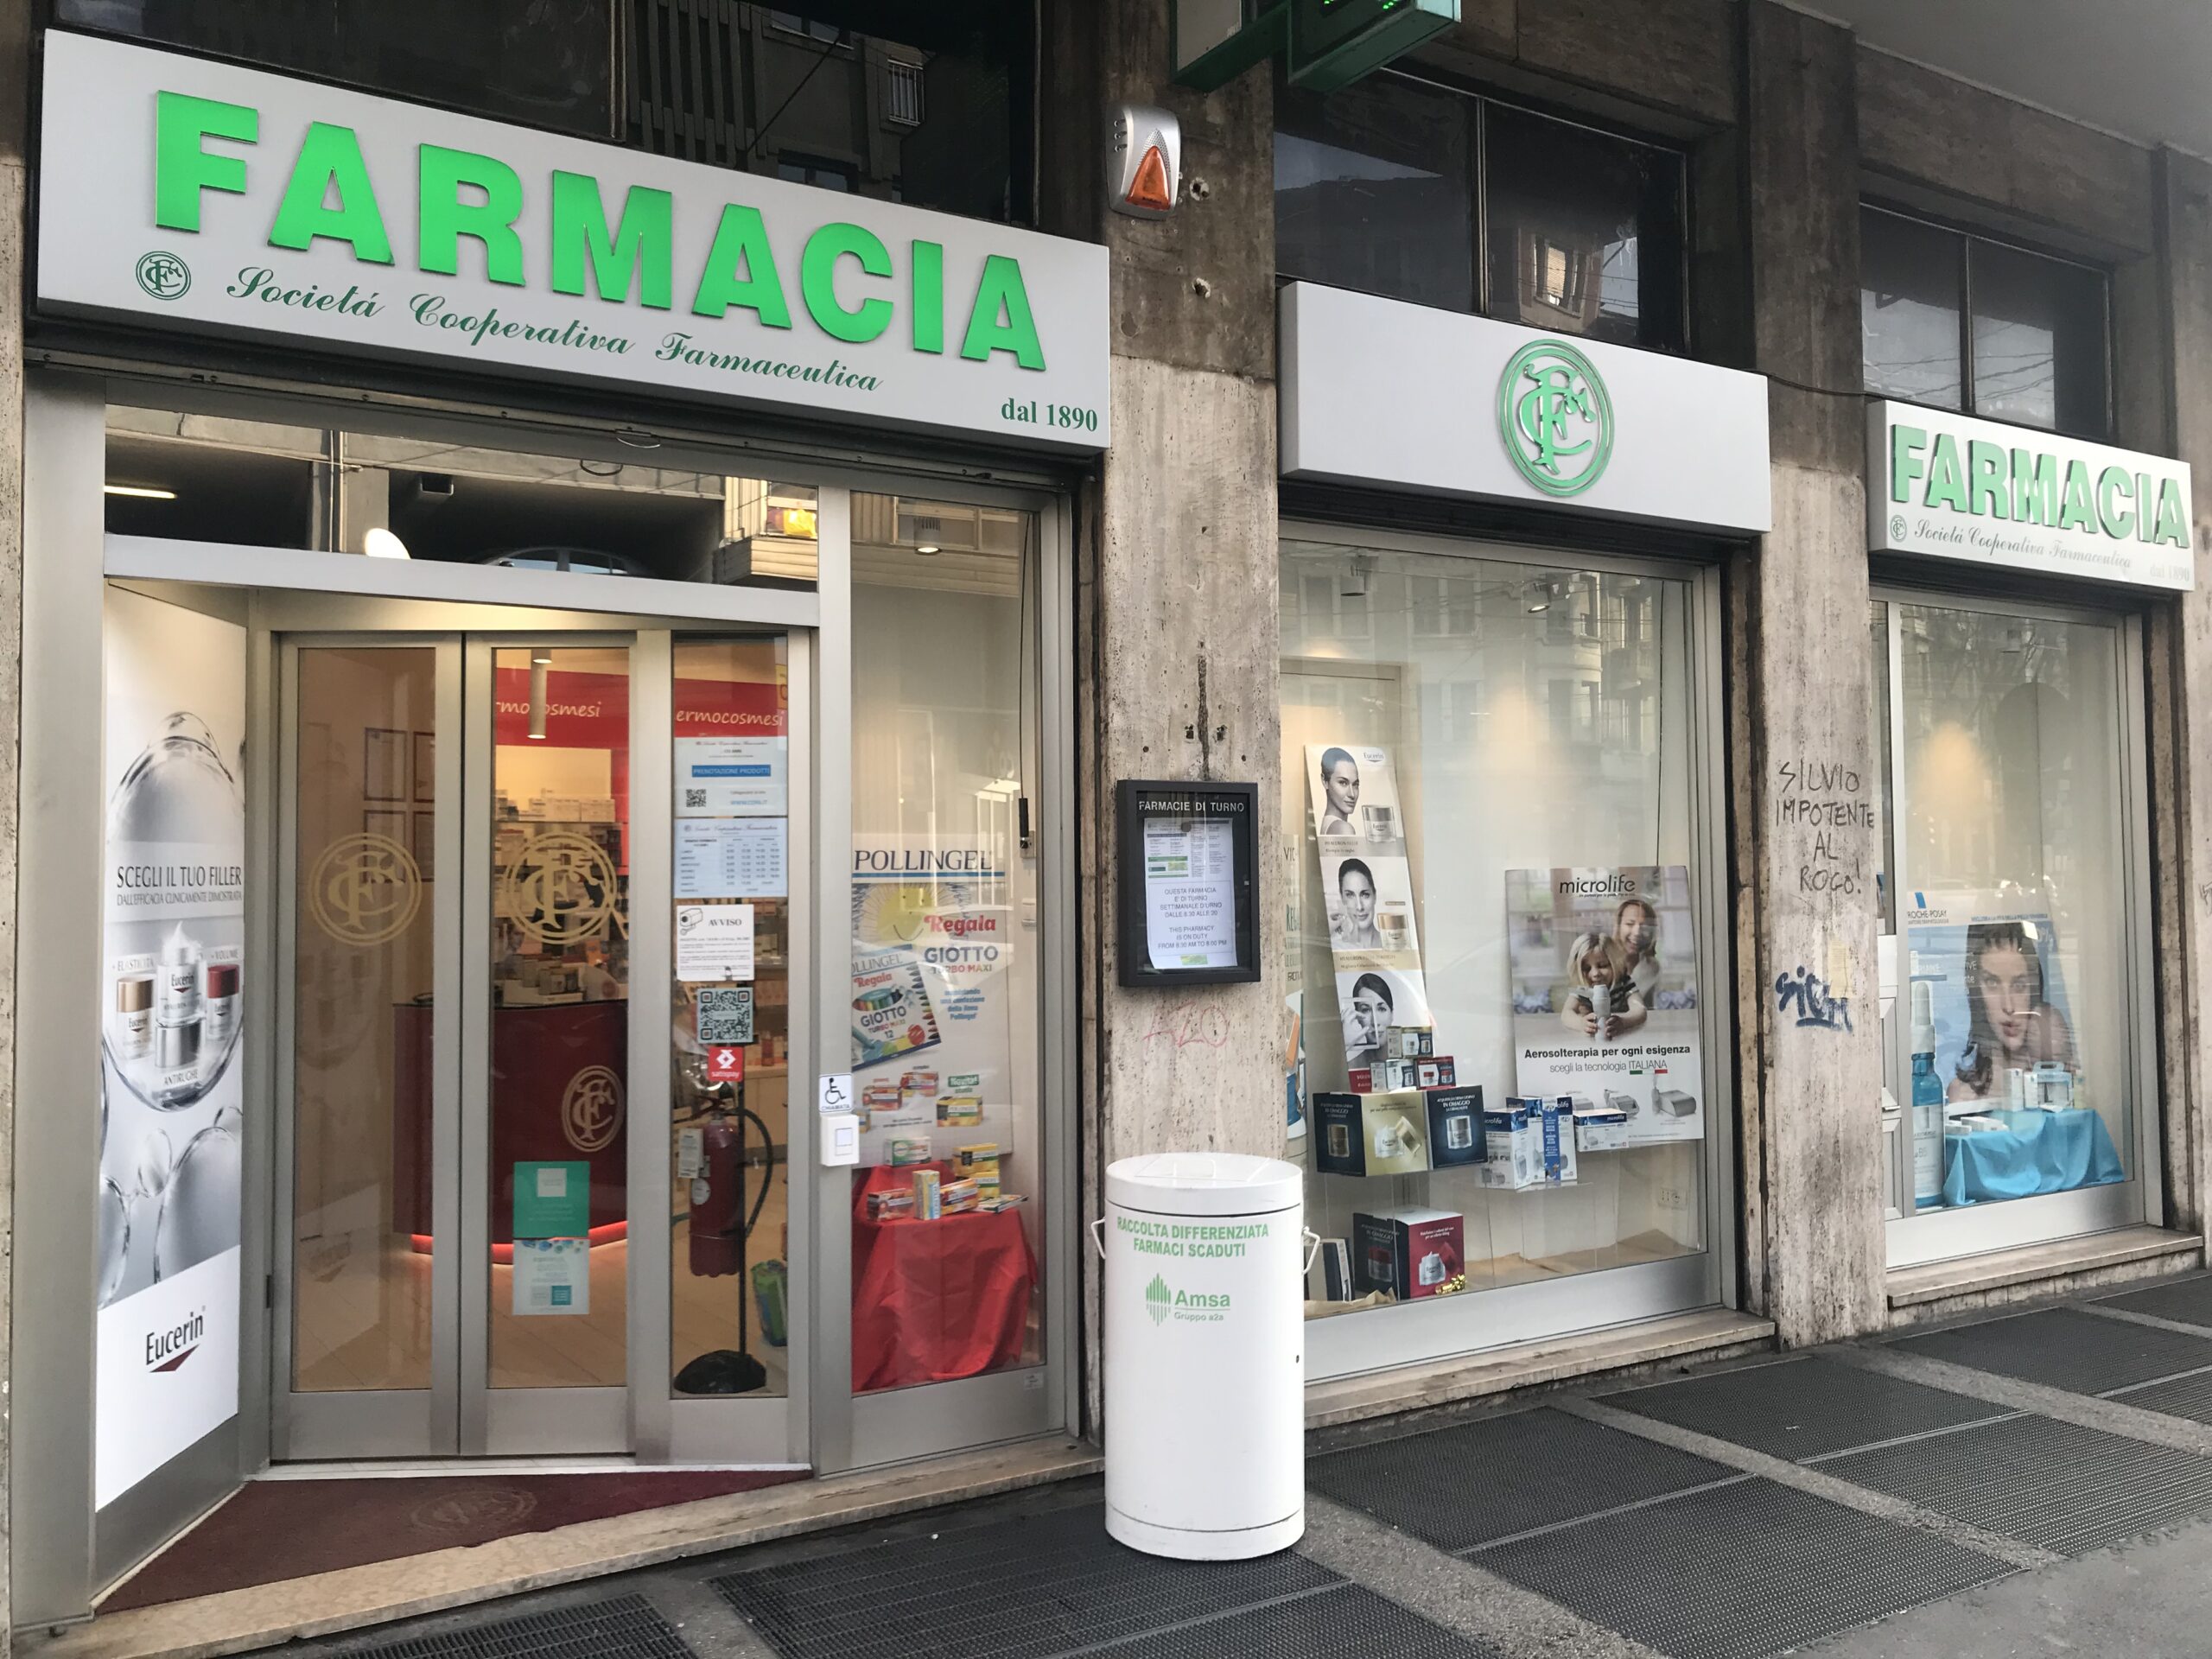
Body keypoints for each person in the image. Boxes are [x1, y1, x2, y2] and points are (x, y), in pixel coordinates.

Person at [1949, 921, 2075, 1103]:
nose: (2008, 1006)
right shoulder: (1962, 1095)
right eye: (1992, 983)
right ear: (1977, 992)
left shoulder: (2059, 1082)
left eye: (2019, 985)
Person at [1560, 931, 1647, 1039]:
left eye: (1602, 965)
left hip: (1622, 1038)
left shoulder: (1623, 982)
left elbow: (1640, 1010)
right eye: (1587, 969)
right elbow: (1566, 1013)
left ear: (1614, 963)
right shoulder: (1582, 988)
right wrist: (1581, 1023)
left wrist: (1624, 1022)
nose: (1595, 973)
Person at [1342, 971, 1393, 1067]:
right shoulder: (1351, 1067)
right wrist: (1344, 1045)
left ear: (1392, 1014)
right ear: (1357, 1017)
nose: (1375, 1022)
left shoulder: (1411, 1058)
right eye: (1366, 1010)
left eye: (1381, 1009)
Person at [1332, 857, 1385, 949]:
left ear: (1374, 896)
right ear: (1342, 898)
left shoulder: (1395, 943)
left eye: (1365, 895)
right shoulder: (1336, 947)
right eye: (1350, 895)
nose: (1359, 907)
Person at [1614, 896, 1661, 1001]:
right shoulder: (1603, 964)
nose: (1637, 933)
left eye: (1645, 927)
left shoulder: (1652, 967)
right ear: (1618, 927)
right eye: (1630, 924)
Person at [1318, 747, 1360, 836]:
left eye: (1355, 785)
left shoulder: (1328, 825)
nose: (1352, 794)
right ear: (1325, 781)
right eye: (1343, 783)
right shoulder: (1343, 828)